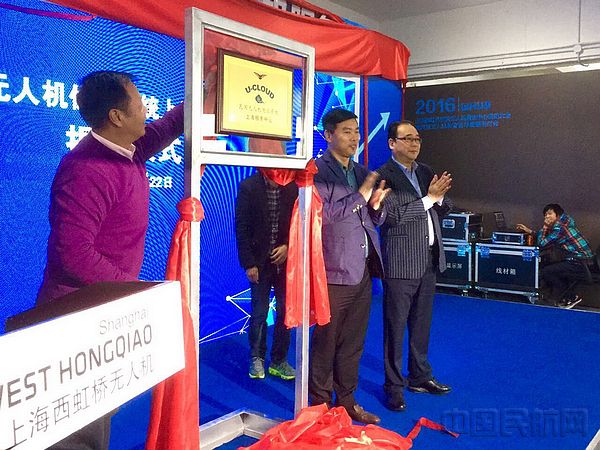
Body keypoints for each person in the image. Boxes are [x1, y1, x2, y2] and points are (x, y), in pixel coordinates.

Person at [36, 71, 184, 449]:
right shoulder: (86, 169)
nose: (148, 110)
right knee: (75, 428)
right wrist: (136, 291)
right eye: (141, 103)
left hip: (104, 311)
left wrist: (206, 95)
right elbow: (73, 253)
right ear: (117, 117)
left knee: (99, 416)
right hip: (74, 320)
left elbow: (165, 128)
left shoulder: (126, 149)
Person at [309, 108, 390, 425]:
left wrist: (376, 207)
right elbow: (324, 217)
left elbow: (370, 218)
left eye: (356, 131)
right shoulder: (317, 171)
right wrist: (361, 195)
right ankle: (319, 406)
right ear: (328, 135)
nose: (355, 137)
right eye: (347, 131)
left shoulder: (361, 171)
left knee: (353, 344)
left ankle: (347, 402)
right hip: (333, 270)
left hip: (363, 270)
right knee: (326, 343)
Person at [376, 120, 452, 413]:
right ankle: (394, 387)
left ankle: (420, 376)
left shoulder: (425, 171)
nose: (414, 144)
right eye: (407, 139)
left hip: (428, 260)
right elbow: (393, 216)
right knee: (395, 329)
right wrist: (429, 198)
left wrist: (439, 199)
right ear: (392, 143)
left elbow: (444, 208)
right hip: (401, 263)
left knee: (421, 325)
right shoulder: (383, 175)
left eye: (417, 138)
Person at [235, 171, 298, 380]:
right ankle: (257, 358)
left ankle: (279, 360)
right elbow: (242, 228)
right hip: (259, 264)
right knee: (260, 313)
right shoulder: (248, 186)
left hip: (286, 264)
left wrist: (288, 247)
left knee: (285, 312)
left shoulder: (292, 187)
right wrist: (249, 264)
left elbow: (298, 225)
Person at [517, 204, 593, 308]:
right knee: (553, 268)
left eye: (549, 214)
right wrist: (530, 231)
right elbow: (550, 238)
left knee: (546, 271)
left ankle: (569, 297)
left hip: (578, 262)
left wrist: (544, 227)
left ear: (557, 215)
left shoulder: (560, 228)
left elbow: (542, 244)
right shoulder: (566, 222)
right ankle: (566, 297)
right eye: (545, 215)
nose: (546, 217)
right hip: (584, 260)